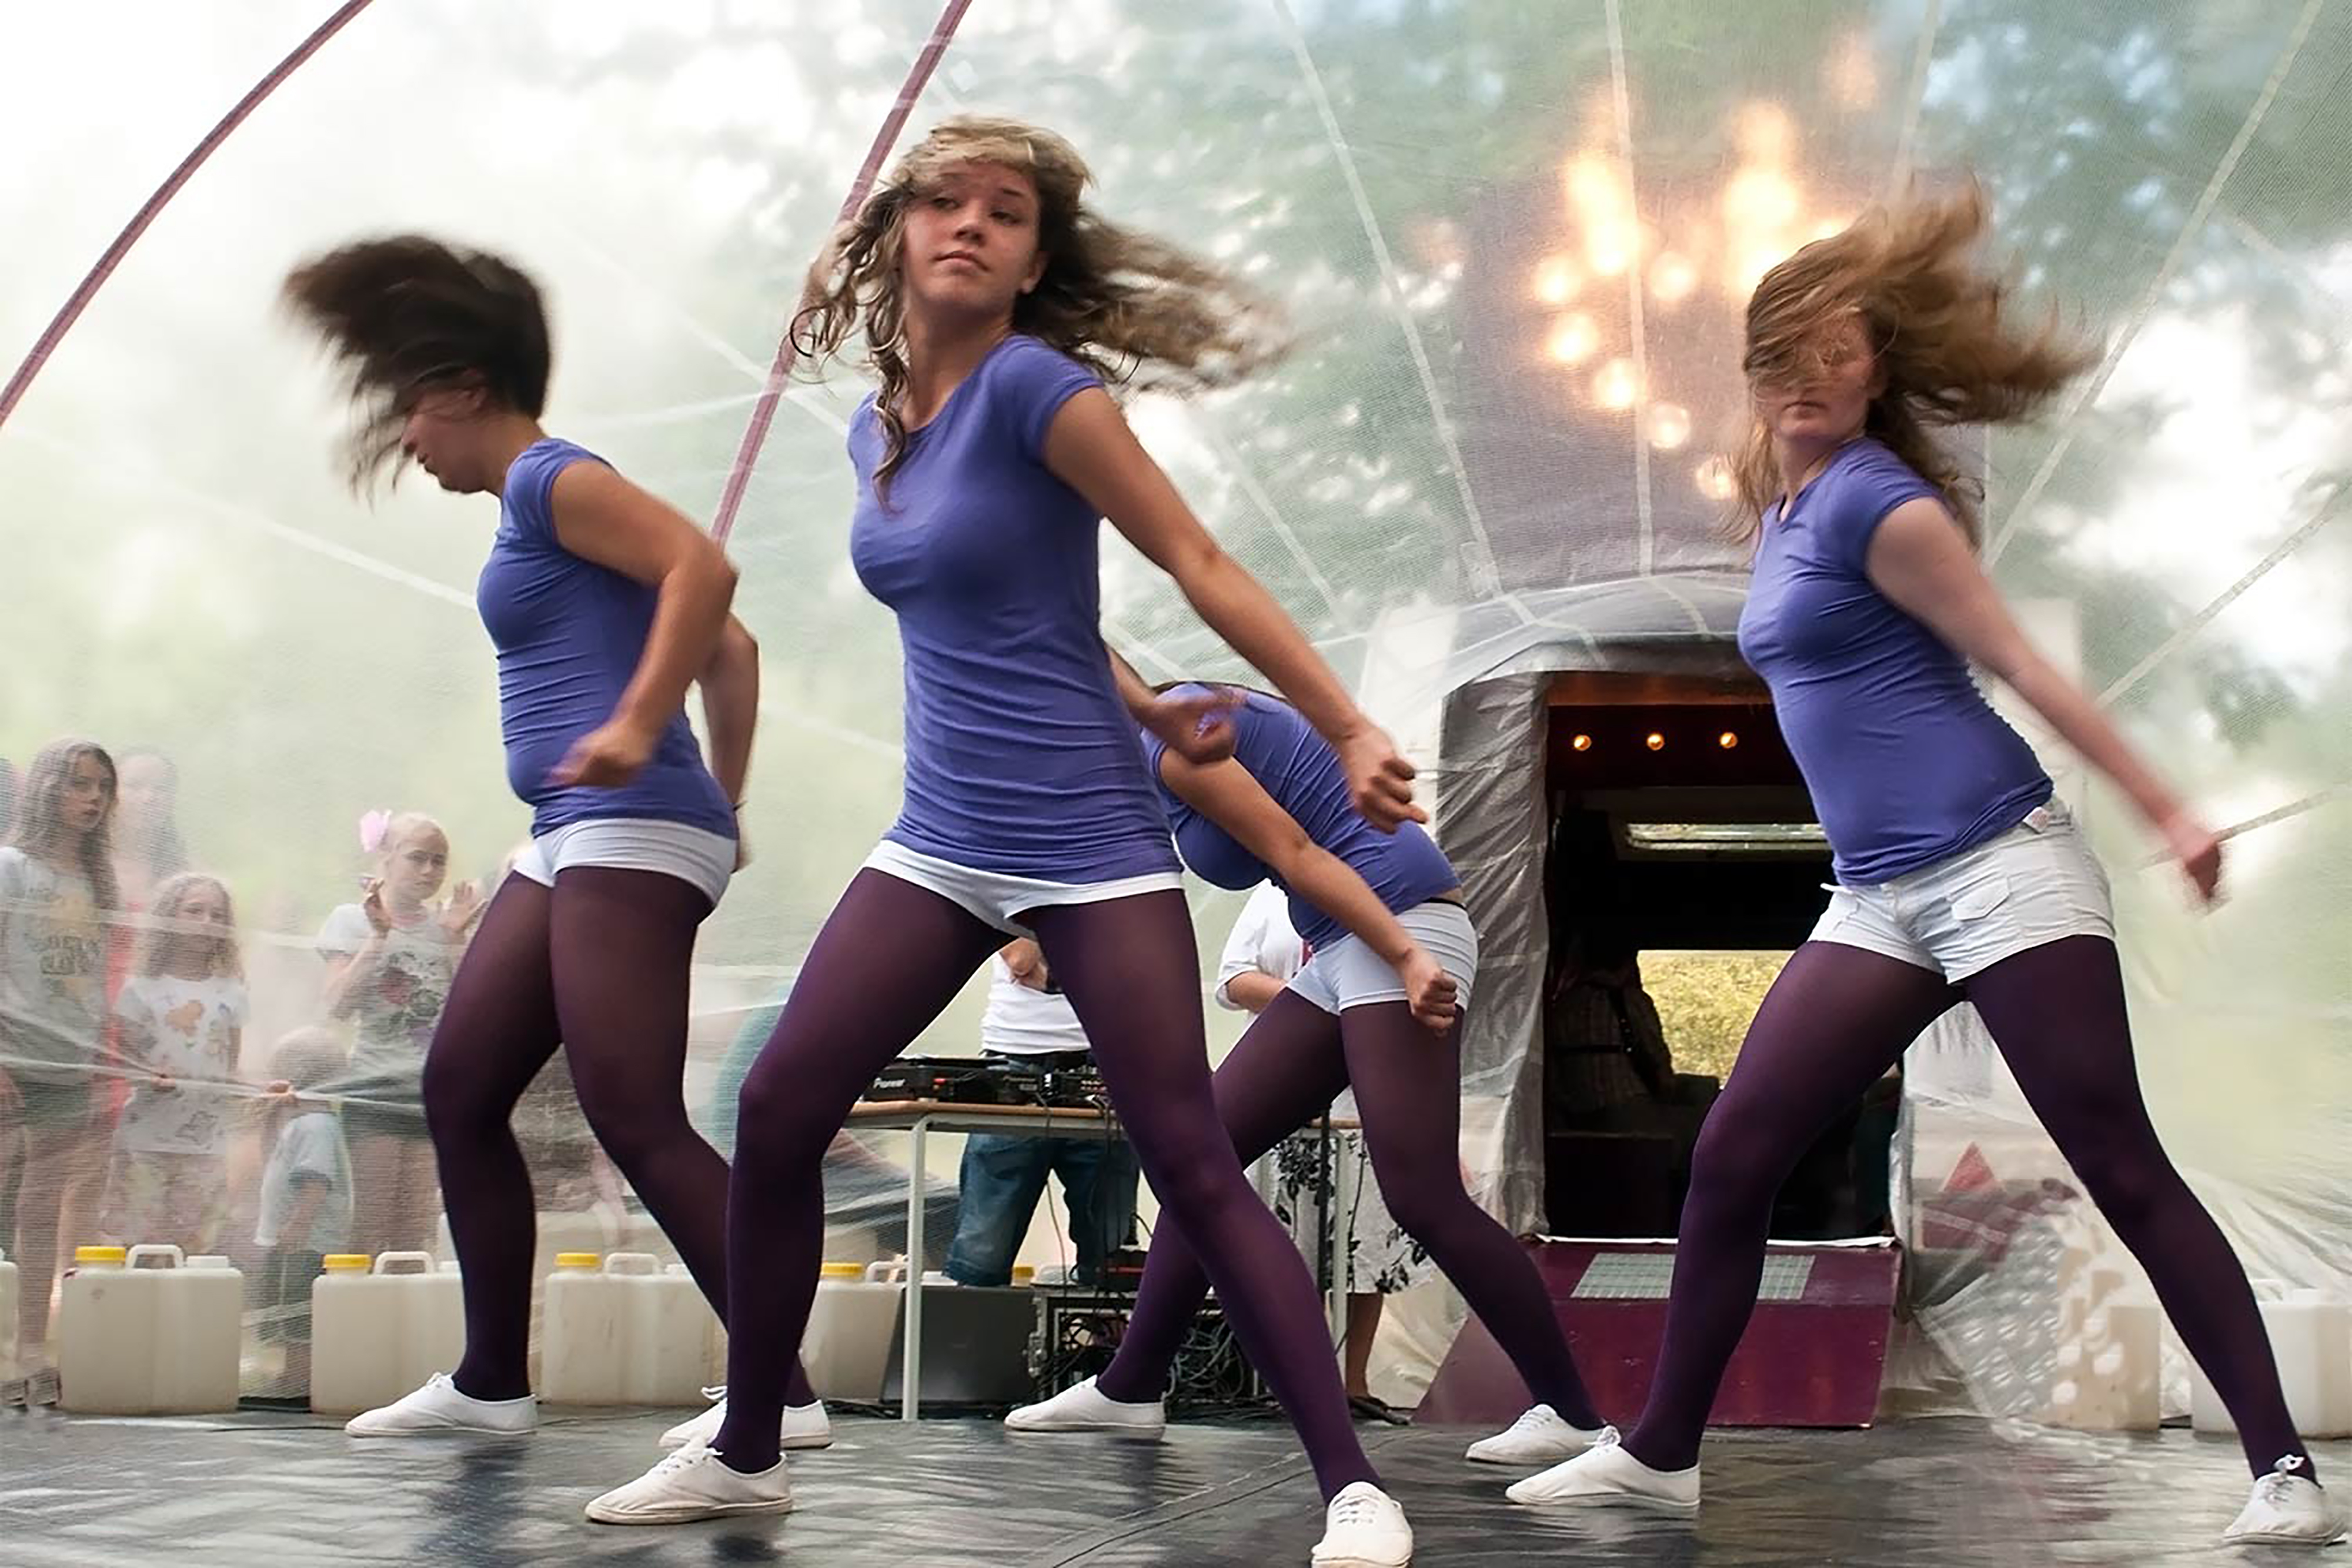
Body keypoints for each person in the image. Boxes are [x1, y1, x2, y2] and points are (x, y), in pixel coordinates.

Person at [586, 116, 1421, 1567]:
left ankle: (1351, 1487)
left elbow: (1198, 561)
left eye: (1007, 212)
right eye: (942, 204)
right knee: (778, 1110)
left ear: (1036, 261)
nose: (970, 226)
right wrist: (1154, 703)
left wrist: (1339, 722)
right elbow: (1030, 618)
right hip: (940, 837)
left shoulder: (1045, 396)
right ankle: (748, 1448)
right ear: (897, 233)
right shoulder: (875, 427)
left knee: (1191, 1158)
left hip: (1090, 845)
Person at [1505, 186, 2346, 1549]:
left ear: (1879, 369)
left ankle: (2281, 1471)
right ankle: (1660, 1451)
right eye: (1786, 352)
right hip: (1882, 892)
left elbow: (2013, 664)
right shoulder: (1779, 507)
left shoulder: (1878, 506)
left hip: (1998, 866)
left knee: (2119, 1164)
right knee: (1731, 1159)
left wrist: (2165, 809)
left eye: (1840, 353)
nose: (1809, 377)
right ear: (1754, 364)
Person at [281, 236, 824, 1449]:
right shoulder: (538, 508)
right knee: (462, 1086)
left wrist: (641, 729)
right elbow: (731, 650)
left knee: (633, 1111)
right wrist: (726, 807)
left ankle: (779, 1387)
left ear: (466, 389)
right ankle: (489, 1381)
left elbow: (707, 565)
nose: (408, 441)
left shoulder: (549, 478)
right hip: (579, 832)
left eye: (412, 409)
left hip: (623, 826)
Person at [1007, 679, 1605, 1472]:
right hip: (1347, 943)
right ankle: (1131, 1383)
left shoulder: (1186, 741)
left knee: (1421, 1193)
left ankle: (1571, 1412)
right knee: (1204, 1150)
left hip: (1397, 927)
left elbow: (1298, 851)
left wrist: (1401, 952)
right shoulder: (1159, 749)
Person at [1218, 882, 1412, 1412]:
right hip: (1284, 1092)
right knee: (1291, 1244)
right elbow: (1233, 978)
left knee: (1365, 1248)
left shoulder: (1385, 890)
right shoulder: (1266, 895)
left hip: (1363, 1099)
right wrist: (1311, 1006)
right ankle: (1303, 1381)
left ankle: (1355, 1383)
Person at [0, 739, 120, 1363]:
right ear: (47, 789)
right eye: (78, 784)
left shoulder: (95, 879)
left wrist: (99, 1058)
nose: (92, 798)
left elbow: (93, 981)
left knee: (42, 1205)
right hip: (12, 1057)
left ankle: (29, 1350)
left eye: (101, 786)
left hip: (68, 1063)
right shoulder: (11, 866)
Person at [316, 811, 480, 1259]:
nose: (429, 871)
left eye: (439, 861)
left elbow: (473, 1012)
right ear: (385, 856)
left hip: (431, 1092)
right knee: (369, 1221)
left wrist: (453, 939)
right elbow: (336, 1004)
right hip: (375, 1088)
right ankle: (351, 1320)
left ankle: (404, 1323)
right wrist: (378, 937)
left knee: (414, 1233)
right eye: (417, 858)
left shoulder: (444, 925)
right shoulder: (351, 918)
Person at [943, 938, 1140, 1289]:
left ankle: (1109, 1342)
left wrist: (1053, 974)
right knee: (985, 1247)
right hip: (1016, 1063)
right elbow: (1020, 959)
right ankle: (970, 1340)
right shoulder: (1015, 881)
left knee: (1110, 1255)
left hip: (1104, 1066)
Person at [99, 872, 248, 1253]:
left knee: (195, 1244)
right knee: (139, 1243)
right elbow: (124, 1056)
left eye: (217, 914)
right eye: (194, 910)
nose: (206, 922)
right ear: (168, 915)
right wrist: (149, 1075)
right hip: (146, 1138)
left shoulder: (231, 991)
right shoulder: (141, 988)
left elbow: (230, 1061)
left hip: (205, 1141)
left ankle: (183, 1313)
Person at [251, 1026, 355, 1386]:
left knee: (298, 1307)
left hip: (307, 1241)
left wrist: (298, 1224)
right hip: (291, 1238)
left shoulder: (316, 1126)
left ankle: (298, 1376)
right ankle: (291, 1372)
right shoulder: (298, 1123)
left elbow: (316, 1181)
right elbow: (270, 1161)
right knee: (284, 1305)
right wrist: (270, 1116)